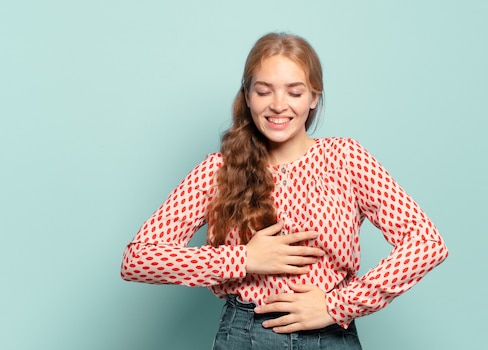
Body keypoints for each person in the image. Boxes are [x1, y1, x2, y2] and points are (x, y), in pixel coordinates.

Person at [121, 32, 448, 349]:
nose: (279, 105)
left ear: (313, 97)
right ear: (248, 97)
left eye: (294, 92)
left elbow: (426, 242)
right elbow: (138, 259)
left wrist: (339, 305)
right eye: (264, 91)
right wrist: (243, 258)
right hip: (244, 333)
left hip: (330, 335)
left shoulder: (346, 158)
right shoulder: (219, 169)